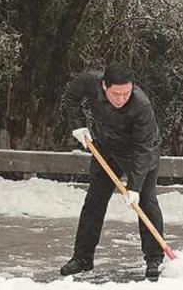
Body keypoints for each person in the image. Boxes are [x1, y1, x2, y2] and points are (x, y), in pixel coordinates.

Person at [60, 64, 165, 278]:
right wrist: (78, 125)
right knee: (94, 201)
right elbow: (71, 96)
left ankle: (154, 259)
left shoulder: (141, 106)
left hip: (138, 154)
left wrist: (134, 187)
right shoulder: (89, 82)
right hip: (106, 149)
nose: (121, 99)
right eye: (116, 94)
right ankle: (82, 258)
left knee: (145, 201)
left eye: (126, 93)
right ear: (104, 86)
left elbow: (143, 150)